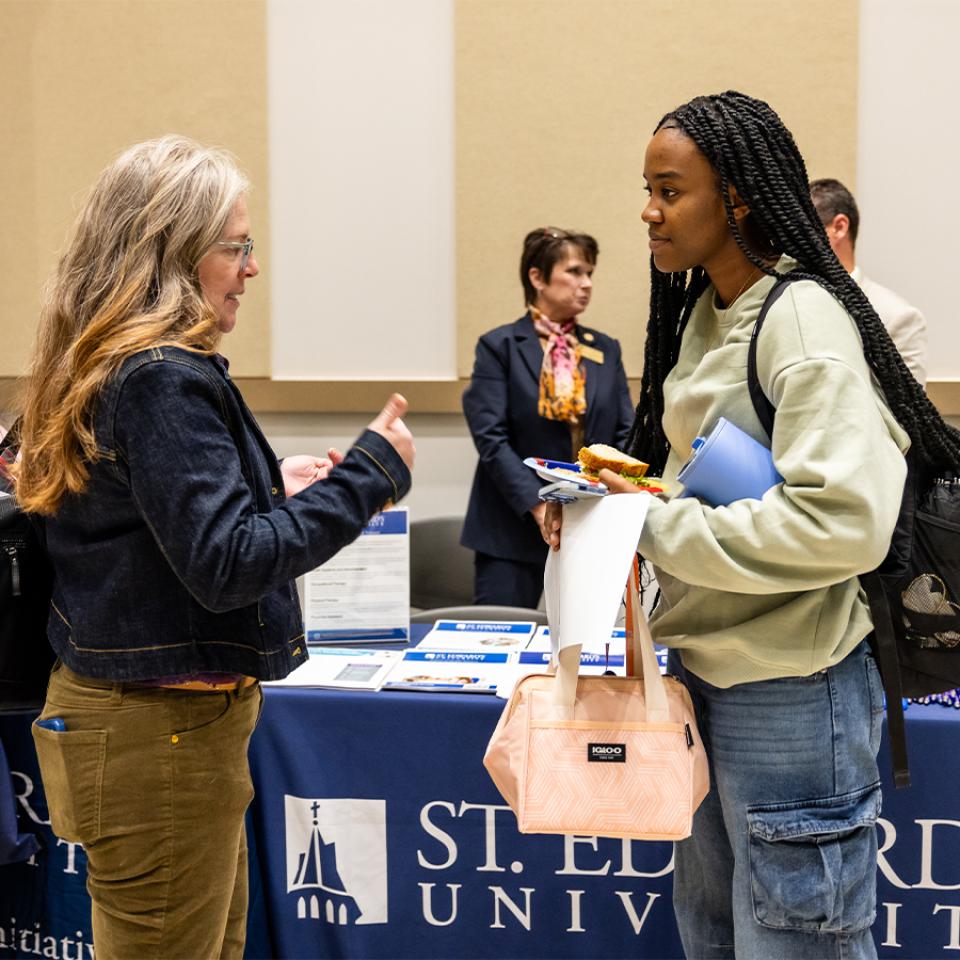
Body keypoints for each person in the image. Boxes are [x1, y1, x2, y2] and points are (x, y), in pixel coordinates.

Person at [542, 91, 960, 959]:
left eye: (669, 189)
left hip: (795, 689)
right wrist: (603, 510)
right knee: (717, 939)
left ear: (736, 198)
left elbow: (842, 522)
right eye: (647, 188)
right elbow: (708, 487)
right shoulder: (706, 312)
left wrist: (645, 527)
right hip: (709, 676)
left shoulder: (803, 315)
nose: (647, 210)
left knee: (796, 947)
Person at [11, 136, 414, 959]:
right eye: (237, 246)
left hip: (155, 726)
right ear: (174, 253)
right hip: (156, 732)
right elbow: (227, 564)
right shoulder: (161, 374)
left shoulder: (108, 360)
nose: (251, 268)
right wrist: (369, 476)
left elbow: (142, 526)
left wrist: (273, 490)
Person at [461, 227, 634, 608]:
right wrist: (540, 506)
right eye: (574, 272)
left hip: (589, 519)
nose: (586, 284)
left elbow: (624, 430)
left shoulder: (605, 349)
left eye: (589, 273)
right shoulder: (499, 346)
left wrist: (600, 497)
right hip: (512, 523)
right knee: (503, 639)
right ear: (537, 277)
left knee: (587, 646)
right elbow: (491, 438)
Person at [810, 177, 927, 384]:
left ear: (839, 227)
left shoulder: (898, 317)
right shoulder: (783, 302)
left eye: (805, 230)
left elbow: (907, 414)